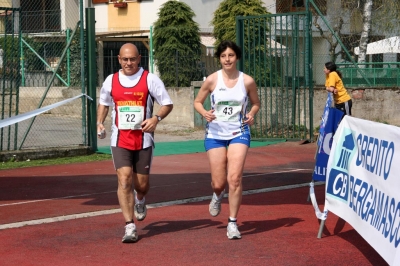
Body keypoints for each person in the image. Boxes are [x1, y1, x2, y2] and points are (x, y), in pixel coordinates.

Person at [97, 43, 173, 243]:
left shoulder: (150, 79)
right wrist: (99, 123)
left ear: (139, 58)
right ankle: (129, 226)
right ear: (119, 60)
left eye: (132, 59)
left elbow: (167, 103)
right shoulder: (111, 80)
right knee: (124, 180)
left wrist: (156, 118)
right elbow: (104, 103)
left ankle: (140, 200)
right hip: (120, 138)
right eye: (125, 59)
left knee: (141, 185)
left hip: (143, 139)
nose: (129, 63)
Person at [193, 40, 261, 240]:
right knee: (218, 182)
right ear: (219, 59)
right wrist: (205, 113)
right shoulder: (212, 80)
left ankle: (232, 222)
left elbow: (256, 103)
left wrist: (251, 114)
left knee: (235, 178)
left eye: (230, 55)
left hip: (239, 132)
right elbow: (197, 101)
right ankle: (216, 195)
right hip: (215, 134)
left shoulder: (247, 81)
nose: (227, 59)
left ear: (236, 57)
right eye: (223, 56)